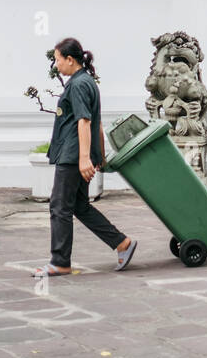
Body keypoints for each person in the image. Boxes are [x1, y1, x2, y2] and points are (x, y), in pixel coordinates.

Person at [33, 38, 136, 276]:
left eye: (58, 60)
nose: (56, 65)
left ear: (70, 59)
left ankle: (60, 262)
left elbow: (85, 121)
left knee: (59, 207)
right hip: (78, 153)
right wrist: (97, 155)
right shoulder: (87, 82)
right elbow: (97, 124)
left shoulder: (78, 85)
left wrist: (84, 159)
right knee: (79, 205)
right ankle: (122, 243)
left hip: (72, 156)